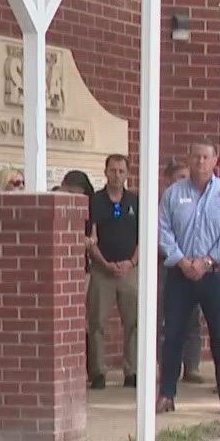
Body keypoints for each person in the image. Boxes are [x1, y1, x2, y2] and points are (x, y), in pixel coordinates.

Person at [157, 142, 220, 415]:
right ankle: (166, 395)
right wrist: (182, 261)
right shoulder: (173, 194)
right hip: (179, 274)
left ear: (215, 160)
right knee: (172, 334)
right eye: (195, 156)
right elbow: (163, 230)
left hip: (214, 275)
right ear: (189, 157)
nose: (200, 162)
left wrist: (206, 262)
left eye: (206, 157)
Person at [87, 153, 141, 390]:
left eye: (121, 171)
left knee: (134, 322)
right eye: (113, 170)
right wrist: (105, 263)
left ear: (127, 174)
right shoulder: (95, 201)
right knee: (97, 322)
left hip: (129, 269)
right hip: (102, 270)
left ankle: (133, 371)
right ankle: (98, 372)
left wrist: (131, 262)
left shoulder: (135, 201)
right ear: (105, 172)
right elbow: (90, 238)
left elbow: (143, 237)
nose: (117, 175)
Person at [160, 162, 207, 384]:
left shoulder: (195, 203)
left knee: (193, 320)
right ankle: (169, 368)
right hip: (169, 266)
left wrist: (196, 262)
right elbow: (163, 233)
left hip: (195, 267)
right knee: (169, 320)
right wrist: (179, 259)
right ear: (168, 179)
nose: (184, 181)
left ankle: (192, 366)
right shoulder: (165, 202)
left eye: (186, 177)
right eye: (179, 177)